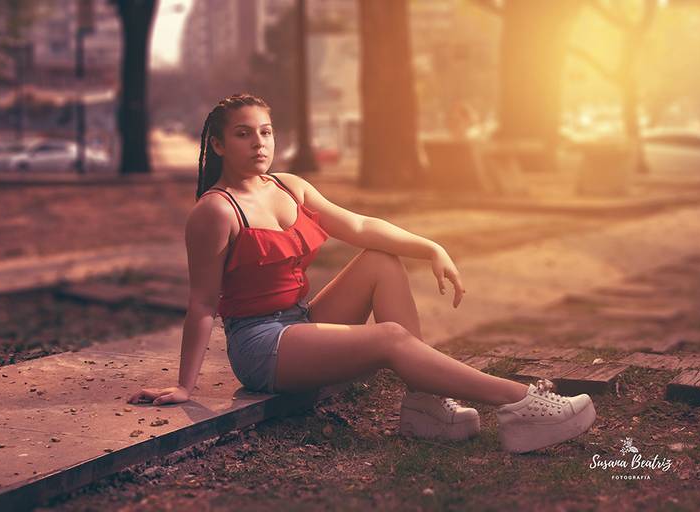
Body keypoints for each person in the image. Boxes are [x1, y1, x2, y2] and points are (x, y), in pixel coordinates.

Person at [128, 93, 596, 453]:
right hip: (259, 345)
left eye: (266, 132)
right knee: (389, 338)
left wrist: (431, 247)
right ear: (217, 143)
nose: (259, 144)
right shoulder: (215, 212)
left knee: (379, 261)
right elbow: (202, 305)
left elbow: (360, 226)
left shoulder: (288, 186)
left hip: (299, 321)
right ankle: (521, 404)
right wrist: (185, 385)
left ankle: (425, 405)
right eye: (243, 134)